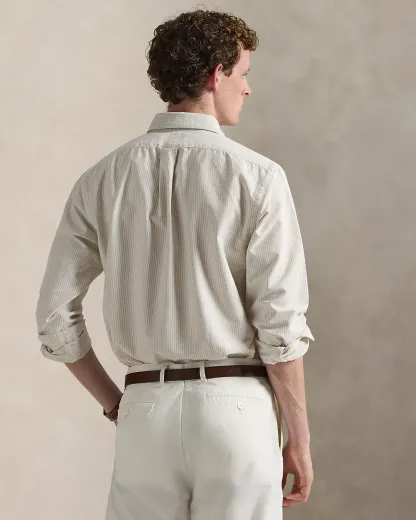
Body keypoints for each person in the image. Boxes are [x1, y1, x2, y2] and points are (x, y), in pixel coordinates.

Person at [35, 7, 315, 519]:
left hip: (146, 411)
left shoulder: (101, 179)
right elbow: (280, 326)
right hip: (237, 411)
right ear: (216, 75)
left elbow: (54, 318)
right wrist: (298, 436)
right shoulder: (258, 177)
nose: (248, 88)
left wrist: (117, 403)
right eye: (243, 73)